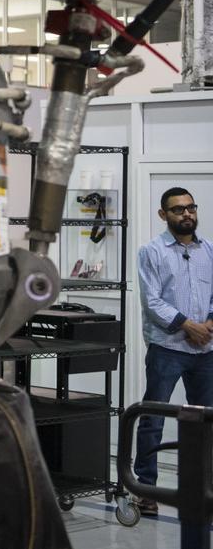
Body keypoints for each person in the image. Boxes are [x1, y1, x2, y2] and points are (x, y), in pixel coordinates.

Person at [134, 187, 213, 517]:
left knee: (205, 423)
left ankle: (203, 487)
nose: (187, 214)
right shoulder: (151, 252)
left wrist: (208, 324)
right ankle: (146, 488)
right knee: (153, 419)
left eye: (190, 207)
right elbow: (152, 302)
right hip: (168, 348)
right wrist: (188, 325)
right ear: (163, 215)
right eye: (178, 209)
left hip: (206, 349)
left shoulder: (209, 250)